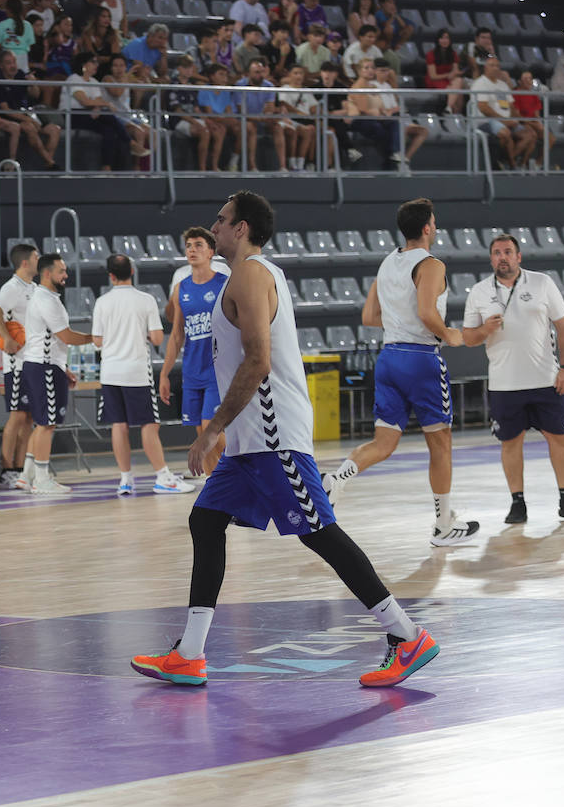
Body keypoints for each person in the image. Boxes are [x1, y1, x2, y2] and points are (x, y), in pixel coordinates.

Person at [131, 191, 441, 690]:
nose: (214, 225)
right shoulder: (244, 276)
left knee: (319, 533)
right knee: (205, 521)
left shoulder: (253, 274)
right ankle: (189, 654)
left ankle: (407, 637)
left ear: (243, 228)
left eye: (222, 219)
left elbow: (258, 361)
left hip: (273, 438)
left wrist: (212, 428)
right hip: (249, 443)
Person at [322, 197, 480, 546]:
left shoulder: (388, 262)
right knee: (440, 443)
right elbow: (426, 313)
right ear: (426, 228)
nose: (435, 229)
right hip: (420, 358)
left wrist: (401, 323)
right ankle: (442, 526)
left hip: (389, 357)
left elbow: (368, 317)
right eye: (434, 224)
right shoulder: (431, 263)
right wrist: (449, 333)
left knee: (384, 442)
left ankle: (337, 478)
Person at [461, 234, 564, 525]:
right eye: (496, 253)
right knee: (510, 442)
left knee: (559, 438)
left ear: (519, 257)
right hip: (505, 384)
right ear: (491, 259)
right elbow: (468, 338)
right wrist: (484, 330)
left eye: (507, 252)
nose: (502, 257)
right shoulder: (479, 291)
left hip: (546, 379)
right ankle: (518, 503)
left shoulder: (542, 283)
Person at [93, 254, 179, 496]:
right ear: (131, 271)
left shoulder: (102, 302)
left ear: (110, 275)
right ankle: (162, 476)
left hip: (110, 372)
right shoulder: (146, 300)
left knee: (118, 426)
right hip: (136, 372)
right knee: (149, 425)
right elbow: (158, 338)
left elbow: (97, 341)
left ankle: (125, 480)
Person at [16, 253, 94, 495]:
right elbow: (67, 336)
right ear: (47, 273)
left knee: (41, 423)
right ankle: (41, 479)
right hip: (44, 367)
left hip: (43, 365)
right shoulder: (46, 299)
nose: (66, 275)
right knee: (47, 425)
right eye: (61, 271)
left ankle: (26, 476)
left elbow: (51, 339)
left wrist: (64, 368)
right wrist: (96, 338)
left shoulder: (44, 297)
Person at [160, 226, 229, 489]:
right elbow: (177, 335)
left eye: (198, 245)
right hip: (191, 372)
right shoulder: (181, 289)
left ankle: (247, 473)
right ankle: (220, 491)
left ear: (211, 251)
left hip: (216, 370)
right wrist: (165, 373)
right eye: (189, 245)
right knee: (202, 436)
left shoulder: (223, 284)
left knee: (211, 432)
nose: (192, 250)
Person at [0, 243, 38, 489]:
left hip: (32, 360)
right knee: (17, 416)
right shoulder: (12, 287)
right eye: (36, 257)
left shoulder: (34, 288)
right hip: (17, 363)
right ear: (25, 262)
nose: (40, 260)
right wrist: (6, 338)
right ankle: (6, 468)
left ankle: (21, 469)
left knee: (28, 418)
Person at [63, 51, 131, 170]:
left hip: (90, 114)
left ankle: (107, 167)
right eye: (93, 62)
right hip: (72, 114)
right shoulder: (73, 79)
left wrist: (98, 108)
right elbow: (84, 101)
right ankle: (130, 142)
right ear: (83, 64)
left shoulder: (94, 81)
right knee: (109, 115)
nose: (97, 65)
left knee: (109, 130)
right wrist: (105, 104)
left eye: (97, 62)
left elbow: (98, 101)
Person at [471, 55, 535, 169]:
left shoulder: (503, 85)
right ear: (485, 68)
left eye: (497, 66)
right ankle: (512, 165)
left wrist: (522, 121)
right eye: (492, 66)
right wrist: (504, 121)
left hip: (505, 121)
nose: (495, 68)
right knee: (505, 133)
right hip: (485, 121)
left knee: (530, 135)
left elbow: (511, 107)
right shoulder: (480, 83)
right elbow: (483, 108)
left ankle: (506, 161)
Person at [346, 58, 406, 172]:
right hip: (359, 119)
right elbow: (364, 109)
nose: (370, 71)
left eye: (372, 68)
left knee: (394, 122)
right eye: (366, 68)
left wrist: (384, 113)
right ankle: (390, 160)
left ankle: (395, 154)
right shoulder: (358, 87)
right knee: (379, 129)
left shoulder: (373, 86)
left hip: (374, 117)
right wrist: (380, 114)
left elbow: (380, 105)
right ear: (359, 71)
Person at [234, 57, 286, 172]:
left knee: (278, 128)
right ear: (248, 73)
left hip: (261, 119)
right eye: (256, 72)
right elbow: (241, 111)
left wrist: (269, 116)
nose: (260, 75)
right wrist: (259, 118)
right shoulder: (239, 85)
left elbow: (270, 107)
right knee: (251, 127)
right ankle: (252, 166)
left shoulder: (269, 86)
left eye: (262, 72)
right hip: (243, 119)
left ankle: (283, 167)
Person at [424, 28, 467, 114]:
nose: (445, 40)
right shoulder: (431, 54)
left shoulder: (453, 54)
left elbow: (455, 71)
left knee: (459, 81)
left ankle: (449, 108)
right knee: (457, 93)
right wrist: (448, 75)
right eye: (442, 38)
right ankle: (454, 114)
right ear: (438, 40)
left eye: (447, 38)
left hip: (448, 80)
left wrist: (457, 73)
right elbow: (433, 76)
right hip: (435, 80)